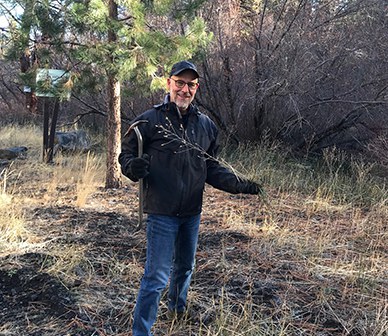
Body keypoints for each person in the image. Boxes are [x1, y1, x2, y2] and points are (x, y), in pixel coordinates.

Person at [119, 60, 264, 336]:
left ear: (197, 88)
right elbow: (126, 155)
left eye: (191, 85)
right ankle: (141, 331)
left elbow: (211, 167)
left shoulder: (206, 126)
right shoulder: (149, 121)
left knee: (185, 266)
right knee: (156, 278)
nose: (185, 90)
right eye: (180, 83)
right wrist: (131, 167)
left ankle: (177, 309)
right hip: (161, 212)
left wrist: (240, 185)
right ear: (169, 84)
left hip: (191, 213)